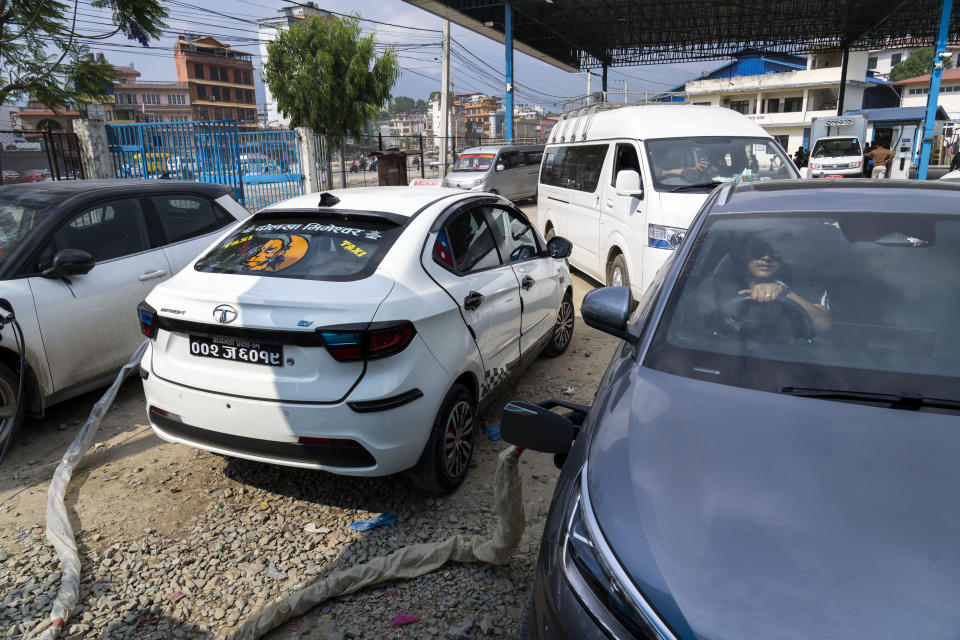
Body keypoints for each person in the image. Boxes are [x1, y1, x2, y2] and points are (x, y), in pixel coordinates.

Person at [700, 237, 832, 336]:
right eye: (758, 251)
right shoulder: (720, 285)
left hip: (792, 359)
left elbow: (823, 325)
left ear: (784, 258)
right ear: (745, 254)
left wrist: (787, 294)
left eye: (775, 252)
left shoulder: (806, 286)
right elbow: (694, 329)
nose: (766, 257)